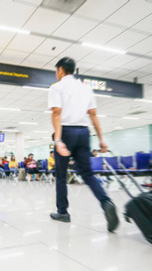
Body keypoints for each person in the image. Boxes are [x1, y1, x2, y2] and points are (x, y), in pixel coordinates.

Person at [48, 57, 119, 232]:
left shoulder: (57, 87)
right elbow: (93, 115)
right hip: (84, 133)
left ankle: (63, 212)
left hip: (66, 132)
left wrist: (58, 140)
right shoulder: (86, 88)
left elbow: (56, 113)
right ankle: (106, 202)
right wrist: (101, 139)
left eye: (57, 71)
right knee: (87, 174)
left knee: (61, 176)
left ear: (61, 70)